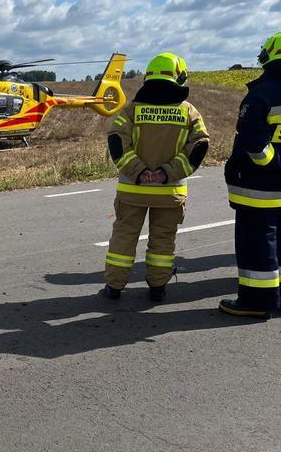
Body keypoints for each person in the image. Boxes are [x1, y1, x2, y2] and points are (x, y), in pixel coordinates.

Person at [104, 52, 209, 301]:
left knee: (123, 238)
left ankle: (114, 288)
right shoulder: (188, 112)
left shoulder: (132, 110)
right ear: (179, 77)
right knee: (163, 240)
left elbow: (117, 142)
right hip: (169, 192)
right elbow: (199, 146)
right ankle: (158, 288)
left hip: (133, 191)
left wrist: (140, 172)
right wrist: (166, 174)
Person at [220, 32, 281, 320]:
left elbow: (253, 140)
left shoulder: (262, 93)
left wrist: (271, 165)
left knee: (257, 241)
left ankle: (257, 300)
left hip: (262, 186)